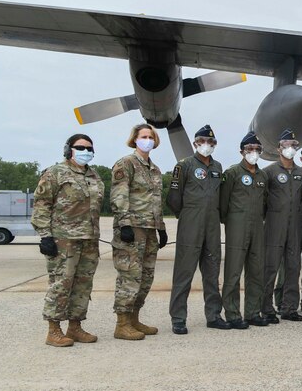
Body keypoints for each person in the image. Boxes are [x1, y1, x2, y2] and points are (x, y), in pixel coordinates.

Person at [32, 133, 105, 346]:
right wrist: (45, 236)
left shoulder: (95, 176)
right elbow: (42, 204)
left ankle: (75, 327)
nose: (86, 152)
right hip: (64, 240)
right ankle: (53, 330)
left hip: (89, 239)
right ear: (69, 149)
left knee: (83, 284)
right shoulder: (55, 173)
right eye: (80, 147)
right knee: (61, 284)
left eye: (89, 148)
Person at [166, 125, 228, 335]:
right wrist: (185, 215)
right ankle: (178, 318)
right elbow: (174, 197)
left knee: (212, 272)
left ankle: (213, 315)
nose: (207, 145)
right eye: (202, 141)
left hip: (212, 224)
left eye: (211, 142)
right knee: (184, 272)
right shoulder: (184, 165)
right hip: (191, 222)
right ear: (195, 143)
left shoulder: (218, 167)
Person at [110, 123, 168, 341]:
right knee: (130, 276)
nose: (148, 140)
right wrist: (124, 224)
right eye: (144, 136)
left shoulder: (154, 169)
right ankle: (122, 324)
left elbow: (156, 202)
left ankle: (134, 318)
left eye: (151, 136)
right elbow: (119, 195)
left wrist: (161, 228)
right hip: (132, 228)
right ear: (134, 139)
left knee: (146, 277)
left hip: (150, 229)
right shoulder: (126, 164)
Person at [219, 131, 268, 329]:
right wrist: (231, 221)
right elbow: (223, 203)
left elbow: (264, 203)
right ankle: (232, 313)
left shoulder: (263, 175)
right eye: (250, 149)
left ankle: (252, 312)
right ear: (242, 151)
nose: (253, 152)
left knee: (256, 271)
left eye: (257, 149)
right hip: (237, 227)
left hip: (257, 226)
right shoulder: (232, 173)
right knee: (233, 271)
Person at [260, 130, 302, 323]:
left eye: (293, 145)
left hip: (294, 226)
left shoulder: (300, 172)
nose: (289, 149)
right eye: (286, 145)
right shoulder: (269, 172)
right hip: (274, 225)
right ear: (279, 148)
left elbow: (301, 196)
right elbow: (262, 199)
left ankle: (289, 308)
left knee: (293, 267)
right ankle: (266, 308)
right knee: (270, 267)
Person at [275, 142, 302, 313]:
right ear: (301, 158)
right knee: (288, 264)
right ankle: (281, 301)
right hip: (294, 224)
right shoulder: (294, 174)